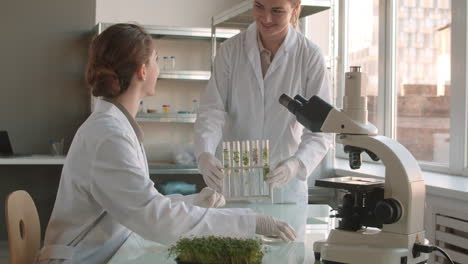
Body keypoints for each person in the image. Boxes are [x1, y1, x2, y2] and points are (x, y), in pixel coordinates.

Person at [36, 23, 296, 264]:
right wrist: (249, 222)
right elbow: (154, 217)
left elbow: (142, 203)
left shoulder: (114, 125)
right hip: (82, 258)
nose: (159, 69)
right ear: (143, 70)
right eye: (156, 60)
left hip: (105, 250)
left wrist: (194, 201)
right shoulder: (109, 135)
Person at [194, 0, 332, 204]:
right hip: (234, 181)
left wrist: (296, 164)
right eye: (259, 6)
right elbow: (212, 111)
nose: (266, 18)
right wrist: (205, 153)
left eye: (277, 11)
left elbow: (322, 128)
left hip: (284, 188)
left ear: (295, 8)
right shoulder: (231, 50)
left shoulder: (309, 56)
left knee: (285, 236)